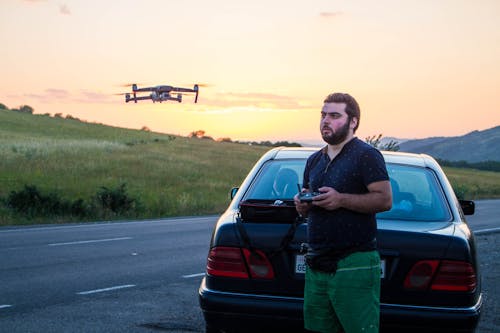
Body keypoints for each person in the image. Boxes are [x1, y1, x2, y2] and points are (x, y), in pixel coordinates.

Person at [294, 92, 392, 333]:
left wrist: (341, 200)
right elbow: (308, 211)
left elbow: (384, 199)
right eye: (323, 115)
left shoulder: (366, 155)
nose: (326, 120)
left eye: (335, 115)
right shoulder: (314, 160)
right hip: (317, 262)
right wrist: (303, 205)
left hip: (354, 262)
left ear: (353, 121)